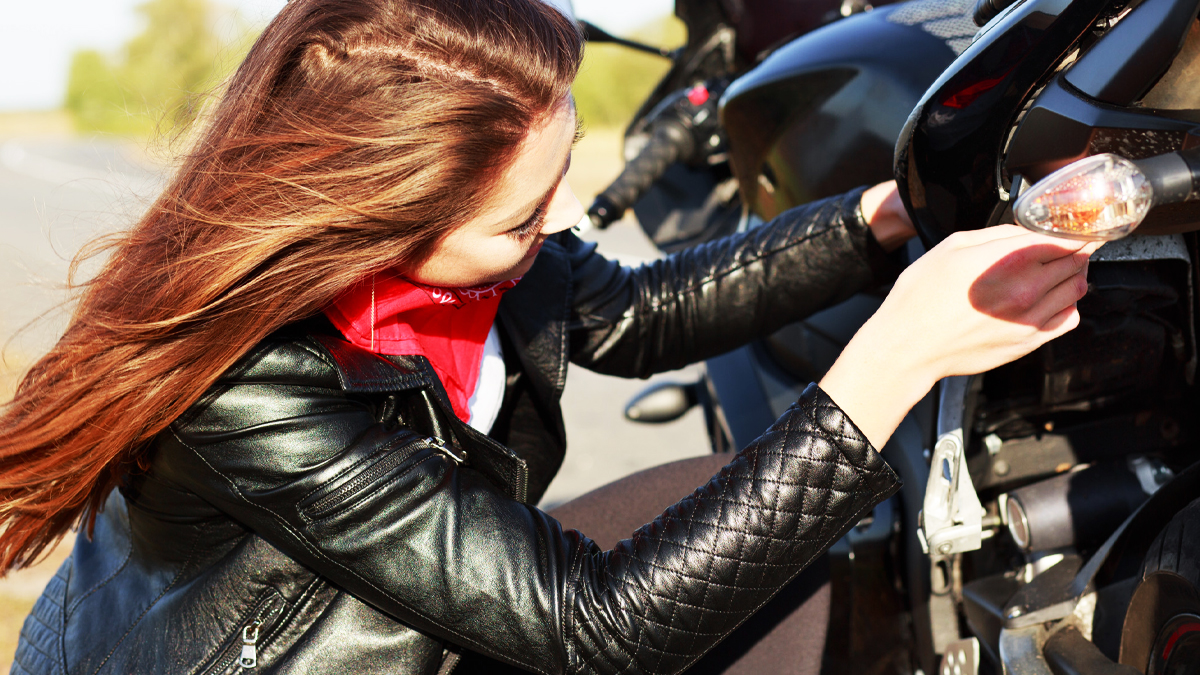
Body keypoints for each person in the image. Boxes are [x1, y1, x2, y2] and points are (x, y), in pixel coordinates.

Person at [0, 0, 1092, 673]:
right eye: (520, 218)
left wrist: (873, 221)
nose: (555, 225)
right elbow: (593, 634)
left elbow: (637, 311)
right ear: (379, 217)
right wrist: (897, 359)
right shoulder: (250, 390)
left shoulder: (491, 263)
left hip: (416, 629)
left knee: (767, 552)